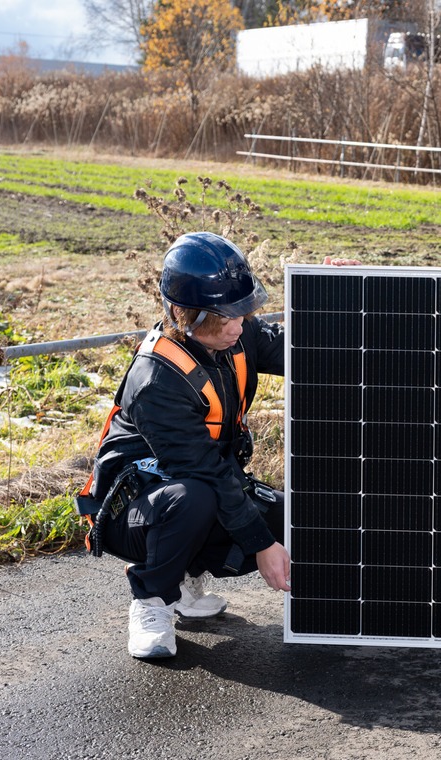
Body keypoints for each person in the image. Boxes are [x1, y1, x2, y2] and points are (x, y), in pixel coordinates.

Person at [77, 231, 353, 659]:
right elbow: (206, 470)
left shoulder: (237, 333)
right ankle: (151, 597)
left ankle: (186, 572)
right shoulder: (156, 381)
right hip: (134, 510)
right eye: (225, 318)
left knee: (295, 522)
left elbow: (304, 350)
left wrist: (340, 296)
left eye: (241, 313)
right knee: (199, 499)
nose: (239, 325)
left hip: (198, 486)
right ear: (186, 316)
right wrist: (260, 546)